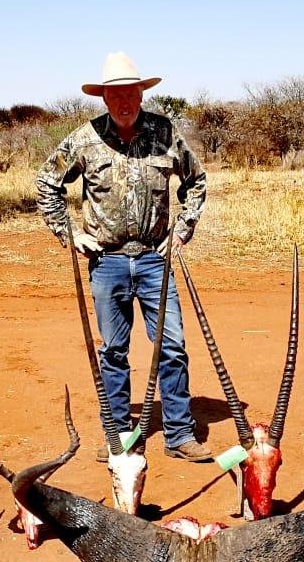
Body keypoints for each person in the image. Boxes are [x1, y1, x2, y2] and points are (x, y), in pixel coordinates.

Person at [36, 52, 212, 463]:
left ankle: (179, 434)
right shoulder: (84, 138)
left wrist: (182, 228)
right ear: (104, 98)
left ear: (141, 93)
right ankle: (118, 436)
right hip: (107, 262)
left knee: (171, 346)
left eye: (131, 92)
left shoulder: (164, 133)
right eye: (116, 94)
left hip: (155, 259)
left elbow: (196, 180)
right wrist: (71, 232)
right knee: (113, 351)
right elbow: (47, 184)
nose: (124, 101)